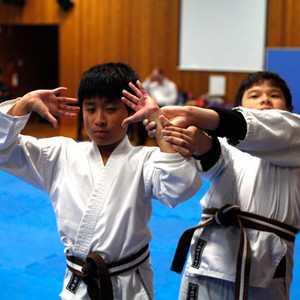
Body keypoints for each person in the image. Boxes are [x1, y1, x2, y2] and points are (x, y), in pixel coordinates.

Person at [0, 62, 201, 300]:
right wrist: (24, 103)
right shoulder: (58, 155)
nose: (99, 119)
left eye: (110, 109)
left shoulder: (146, 160)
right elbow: (4, 148)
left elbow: (179, 188)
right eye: (91, 108)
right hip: (79, 284)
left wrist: (158, 122)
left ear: (130, 112)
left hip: (130, 286)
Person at [137, 71, 300, 300]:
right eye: (254, 95)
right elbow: (212, 153)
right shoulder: (231, 144)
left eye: (274, 95)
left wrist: (191, 113)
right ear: (238, 108)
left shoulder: (295, 136)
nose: (265, 99)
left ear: (289, 110)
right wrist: (193, 136)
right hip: (208, 260)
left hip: (264, 268)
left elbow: (249, 126)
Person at [135, 67, 178, 146]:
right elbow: (142, 89)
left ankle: (160, 141)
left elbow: (172, 100)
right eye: (154, 76)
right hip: (152, 107)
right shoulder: (153, 85)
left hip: (165, 107)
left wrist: (157, 101)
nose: (156, 78)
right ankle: (141, 141)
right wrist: (149, 79)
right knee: (141, 115)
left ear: (162, 75)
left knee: (157, 116)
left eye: (157, 76)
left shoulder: (171, 85)